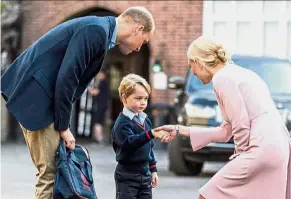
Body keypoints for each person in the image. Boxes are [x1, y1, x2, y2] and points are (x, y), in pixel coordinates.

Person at [1, 6, 155, 199]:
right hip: (39, 101)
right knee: (50, 175)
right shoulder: (96, 30)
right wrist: (64, 126)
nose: (140, 47)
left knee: (52, 173)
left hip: (41, 99)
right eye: (144, 41)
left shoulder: (101, 31)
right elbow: (68, 77)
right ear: (138, 29)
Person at [156, 36, 291, 199]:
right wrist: (179, 129)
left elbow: (241, 125)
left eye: (191, 66)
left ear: (199, 62)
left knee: (208, 195)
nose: (193, 72)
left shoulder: (222, 78)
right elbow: (226, 130)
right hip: (279, 147)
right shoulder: (243, 73)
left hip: (260, 149)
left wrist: (238, 158)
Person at [112, 74, 169, 199]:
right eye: (138, 98)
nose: (143, 102)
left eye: (146, 98)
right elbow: (129, 143)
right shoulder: (122, 123)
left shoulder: (145, 120)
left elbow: (149, 147)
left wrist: (153, 170)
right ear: (124, 98)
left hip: (145, 174)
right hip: (127, 175)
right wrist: (150, 134)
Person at [88, 69, 110, 144]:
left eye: (99, 74)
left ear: (102, 74)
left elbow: (96, 92)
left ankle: (100, 139)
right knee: (99, 122)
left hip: (100, 106)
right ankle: (100, 138)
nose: (98, 76)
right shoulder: (105, 82)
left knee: (97, 121)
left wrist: (88, 89)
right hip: (103, 105)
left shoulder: (103, 82)